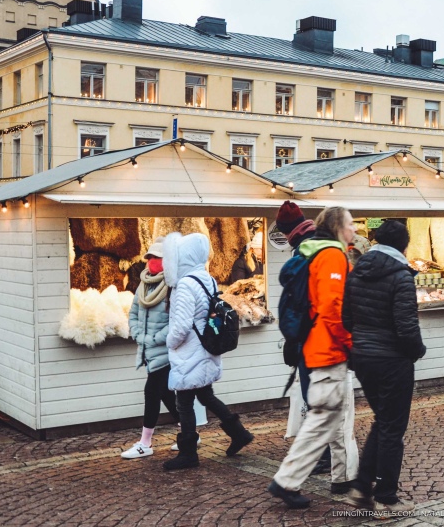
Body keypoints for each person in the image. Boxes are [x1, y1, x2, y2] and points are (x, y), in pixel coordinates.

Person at [269, 207, 357, 509]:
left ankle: (290, 480)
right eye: (350, 224)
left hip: (315, 349)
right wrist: (350, 345)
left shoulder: (309, 253)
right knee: (335, 419)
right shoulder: (332, 255)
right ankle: (341, 479)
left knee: (322, 420)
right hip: (329, 351)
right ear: (337, 227)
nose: (354, 229)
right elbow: (334, 308)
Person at [341, 220, 426, 513]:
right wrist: (417, 351)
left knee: (383, 421)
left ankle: (363, 487)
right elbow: (406, 327)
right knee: (392, 428)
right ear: (404, 244)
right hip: (392, 360)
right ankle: (385, 495)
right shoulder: (401, 275)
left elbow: (347, 318)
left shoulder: (357, 271)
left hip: (364, 357)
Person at [162, 232, 254, 471]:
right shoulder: (207, 279)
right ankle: (239, 433)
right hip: (206, 347)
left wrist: (170, 342)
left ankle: (188, 453)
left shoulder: (184, 285)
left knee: (184, 402)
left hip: (189, 352)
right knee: (205, 395)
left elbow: (181, 326)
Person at [274, 200, 333, 477]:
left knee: (316, 400)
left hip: (314, 340)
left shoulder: (304, 253)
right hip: (325, 338)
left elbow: (300, 302)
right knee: (323, 401)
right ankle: (327, 456)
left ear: (288, 232)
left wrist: (294, 338)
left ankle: (323, 457)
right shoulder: (322, 245)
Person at [121, 238, 179, 459]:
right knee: (165, 392)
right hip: (147, 347)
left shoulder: (173, 286)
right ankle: (189, 431)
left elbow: (176, 321)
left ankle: (145, 442)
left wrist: (154, 338)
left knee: (152, 391)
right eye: (150, 258)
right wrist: (137, 333)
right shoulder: (143, 284)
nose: (152, 262)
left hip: (163, 350)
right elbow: (134, 312)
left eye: (157, 258)